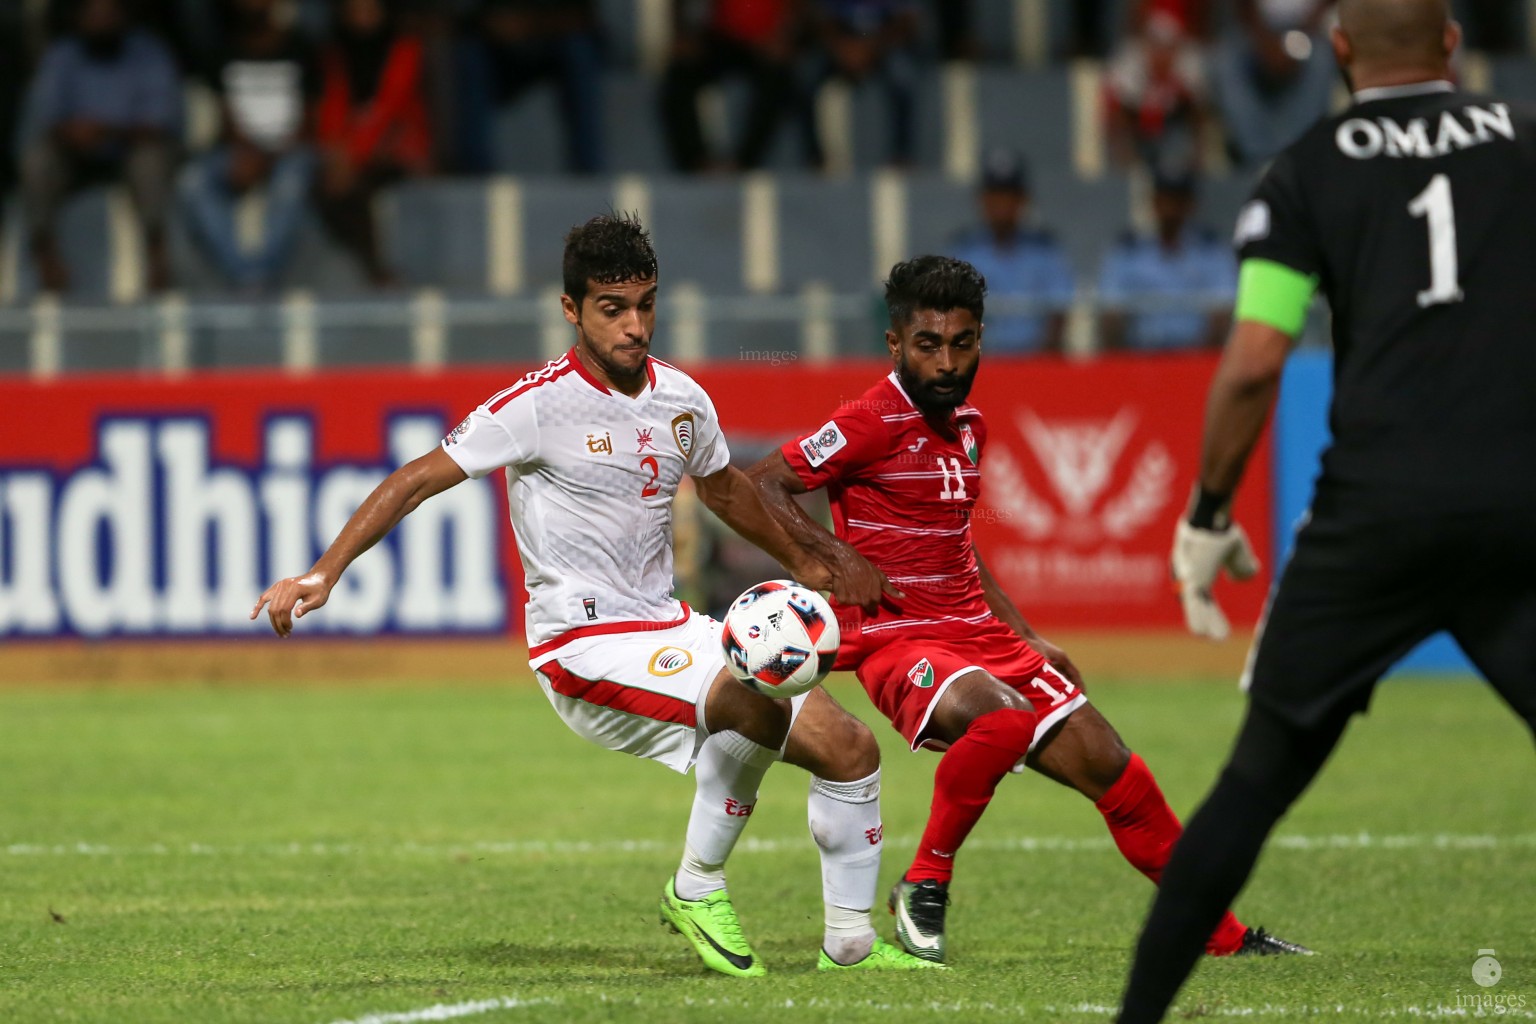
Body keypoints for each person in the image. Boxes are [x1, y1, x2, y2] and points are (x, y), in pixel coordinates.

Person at [251, 213, 936, 976]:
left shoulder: (681, 399)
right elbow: (415, 479)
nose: (635, 325)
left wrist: (811, 556)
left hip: (671, 626)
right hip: (582, 645)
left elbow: (725, 492)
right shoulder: (536, 405)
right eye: (613, 308)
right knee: (758, 699)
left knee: (850, 748)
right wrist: (325, 571)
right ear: (572, 309)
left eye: (646, 303)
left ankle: (848, 946)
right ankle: (699, 883)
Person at [1121, 2, 1536, 1019]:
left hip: (1374, 518)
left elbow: (1257, 357)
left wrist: (1210, 508)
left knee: (1254, 783)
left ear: (1341, 52)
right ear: (1451, 43)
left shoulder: (1305, 169)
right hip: (1517, 507)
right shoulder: (1525, 140)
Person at [747, 254, 1307, 964]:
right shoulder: (868, 421)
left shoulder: (971, 426)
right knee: (1003, 716)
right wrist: (832, 558)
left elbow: (959, 546)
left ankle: (1224, 940)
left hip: (977, 632)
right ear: (895, 345)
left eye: (963, 342)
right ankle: (924, 883)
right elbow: (759, 483)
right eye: (928, 344)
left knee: (1115, 771)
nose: (947, 362)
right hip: (900, 640)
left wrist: (1026, 635)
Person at [20, 0, 182, 294]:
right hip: (73, 154)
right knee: (37, 159)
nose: (101, 22)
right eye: (92, 15)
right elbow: (45, 115)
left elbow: (159, 123)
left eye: (108, 14)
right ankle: (44, 254)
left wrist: (106, 131)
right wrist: (72, 131)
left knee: (151, 160)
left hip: (128, 150)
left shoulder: (149, 52)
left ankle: (157, 254)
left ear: (123, 16)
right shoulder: (62, 54)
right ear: (79, 18)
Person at [178, 0, 319, 294]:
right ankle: (245, 276)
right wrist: (244, 152)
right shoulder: (224, 49)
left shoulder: (299, 46)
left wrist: (270, 156)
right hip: (240, 149)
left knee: (292, 180)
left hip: (289, 151)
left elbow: (309, 119)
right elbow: (225, 113)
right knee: (192, 181)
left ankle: (262, 273)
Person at [314, 0, 434, 287]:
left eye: (369, 8)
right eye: (355, 8)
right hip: (355, 153)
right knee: (330, 187)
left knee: (353, 185)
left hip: (398, 146)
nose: (362, 16)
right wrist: (335, 153)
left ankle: (378, 270)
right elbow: (332, 106)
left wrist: (350, 158)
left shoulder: (405, 49)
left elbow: (391, 108)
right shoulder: (335, 53)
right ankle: (376, 269)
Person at [451, 0, 605, 175]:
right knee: (470, 55)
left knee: (580, 51)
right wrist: (494, 22)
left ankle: (588, 172)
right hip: (493, 41)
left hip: (556, 34)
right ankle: (477, 174)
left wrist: (530, 24)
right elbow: (462, 16)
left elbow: (584, 17)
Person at [947, 149, 1075, 356]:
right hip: (980, 366)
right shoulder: (964, 252)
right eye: (995, 196)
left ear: (1023, 200)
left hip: (1036, 365)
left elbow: (1059, 313)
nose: (1002, 205)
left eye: (1009, 197)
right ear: (982, 200)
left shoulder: (1045, 251)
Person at [660, 0, 806, 174]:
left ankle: (745, 164)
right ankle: (696, 164)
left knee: (777, 81)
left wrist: (784, 35)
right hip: (721, 36)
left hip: (767, 39)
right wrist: (682, 34)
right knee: (680, 75)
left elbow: (800, 7)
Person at [1097, 170, 1236, 352]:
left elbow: (1222, 313)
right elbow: (1111, 311)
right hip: (1141, 358)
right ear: (1153, 202)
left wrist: (1200, 364)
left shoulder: (1212, 251)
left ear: (1190, 204)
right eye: (1164, 200)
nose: (1170, 208)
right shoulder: (1128, 252)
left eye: (1177, 201)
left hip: (1195, 358)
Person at [1212, 0, 1336, 165]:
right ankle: (1259, 157)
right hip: (1258, 29)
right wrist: (1264, 41)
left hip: (1308, 29)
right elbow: (1243, 6)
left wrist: (1296, 40)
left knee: (1321, 57)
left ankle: (1298, 157)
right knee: (1224, 59)